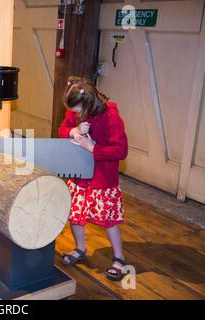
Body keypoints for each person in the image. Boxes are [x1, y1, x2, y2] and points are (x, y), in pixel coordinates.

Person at [58, 76, 129, 281]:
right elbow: (63, 129)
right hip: (79, 175)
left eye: (78, 111)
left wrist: (93, 148)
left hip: (102, 179)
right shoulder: (76, 112)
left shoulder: (111, 117)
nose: (75, 115)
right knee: (76, 214)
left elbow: (121, 150)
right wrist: (73, 131)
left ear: (88, 104)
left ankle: (119, 258)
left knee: (108, 219)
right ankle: (80, 249)